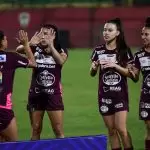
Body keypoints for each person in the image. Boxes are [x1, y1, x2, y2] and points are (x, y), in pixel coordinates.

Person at [17, 24, 68, 140]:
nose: (42, 37)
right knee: (35, 129)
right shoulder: (35, 47)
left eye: (46, 34)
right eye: (41, 33)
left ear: (53, 36)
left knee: (58, 130)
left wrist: (51, 46)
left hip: (53, 94)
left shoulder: (61, 49)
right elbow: (18, 50)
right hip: (36, 94)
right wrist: (30, 43)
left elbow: (60, 61)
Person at [90, 18, 134, 150]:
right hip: (104, 96)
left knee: (121, 129)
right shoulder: (98, 50)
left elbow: (131, 74)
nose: (106, 33)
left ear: (117, 33)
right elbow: (92, 73)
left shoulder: (124, 51)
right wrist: (93, 67)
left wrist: (116, 66)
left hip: (120, 96)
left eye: (110, 30)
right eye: (104, 30)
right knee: (111, 131)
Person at [0, 30, 36, 142]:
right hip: (3, 110)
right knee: (13, 145)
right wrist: (26, 44)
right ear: (1, 42)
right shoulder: (11, 57)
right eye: (5, 39)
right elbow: (33, 63)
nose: (7, 41)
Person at [128, 17, 150, 150]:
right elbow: (135, 77)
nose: (143, 37)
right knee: (149, 127)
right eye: (142, 34)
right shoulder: (139, 56)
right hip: (147, 96)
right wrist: (129, 70)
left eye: (146, 34)